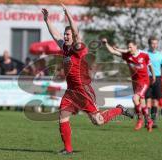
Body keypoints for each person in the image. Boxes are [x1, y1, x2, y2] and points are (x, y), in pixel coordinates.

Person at [42, 4, 133, 155]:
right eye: (65, 35)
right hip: (71, 91)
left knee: (98, 121)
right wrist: (47, 20)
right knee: (63, 116)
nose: (65, 37)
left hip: (83, 90)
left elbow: (76, 33)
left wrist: (68, 14)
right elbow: (55, 35)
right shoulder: (65, 47)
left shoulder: (78, 48)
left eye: (68, 35)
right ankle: (68, 150)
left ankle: (119, 109)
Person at [102, 38, 155, 132]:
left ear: (135, 46)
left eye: (131, 47)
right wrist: (106, 43)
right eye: (128, 47)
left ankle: (140, 120)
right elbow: (113, 51)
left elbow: (150, 66)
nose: (129, 48)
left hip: (144, 81)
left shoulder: (144, 55)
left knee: (135, 98)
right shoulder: (127, 56)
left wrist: (153, 76)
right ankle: (149, 121)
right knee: (142, 103)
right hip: (135, 82)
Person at [145, 36, 162, 128]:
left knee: (155, 101)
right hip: (148, 78)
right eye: (152, 43)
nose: (154, 45)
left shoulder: (160, 55)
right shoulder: (145, 54)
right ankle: (147, 121)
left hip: (158, 79)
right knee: (148, 100)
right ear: (149, 44)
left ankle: (153, 121)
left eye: (156, 43)